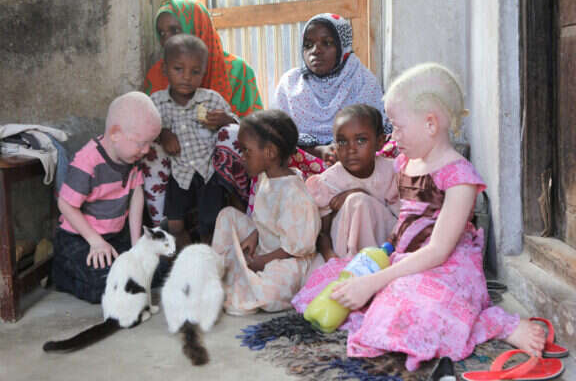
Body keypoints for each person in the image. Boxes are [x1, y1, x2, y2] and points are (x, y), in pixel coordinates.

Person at [292, 63, 545, 370]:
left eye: (398, 127)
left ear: (430, 124)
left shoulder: (459, 177)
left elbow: (438, 251)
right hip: (404, 259)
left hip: (445, 266)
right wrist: (377, 262)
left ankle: (498, 324)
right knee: (336, 285)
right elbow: (405, 222)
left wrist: (374, 282)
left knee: (411, 310)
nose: (393, 135)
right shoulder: (405, 164)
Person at [142, 0, 263, 224]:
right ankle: (162, 225)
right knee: (150, 149)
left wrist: (227, 121)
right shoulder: (158, 74)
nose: (168, 39)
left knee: (232, 134)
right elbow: (146, 122)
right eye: (162, 33)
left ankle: (239, 213)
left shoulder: (237, 71)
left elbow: (258, 126)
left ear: (198, 27)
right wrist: (163, 133)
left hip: (217, 161)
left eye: (175, 30)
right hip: (176, 158)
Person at [52, 92, 162, 303]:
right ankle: (61, 272)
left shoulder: (132, 157)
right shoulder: (87, 161)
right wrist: (95, 241)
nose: (147, 150)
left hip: (114, 236)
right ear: (115, 134)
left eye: (150, 143)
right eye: (142, 143)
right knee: (106, 285)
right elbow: (65, 204)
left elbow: (136, 195)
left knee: (155, 269)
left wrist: (136, 244)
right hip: (80, 238)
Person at [211, 110, 320, 315]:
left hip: (289, 259)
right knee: (227, 215)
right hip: (265, 246)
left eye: (246, 151)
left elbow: (296, 247)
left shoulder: (294, 194)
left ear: (270, 152)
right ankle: (220, 274)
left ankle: (245, 279)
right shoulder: (265, 178)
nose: (241, 157)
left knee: (269, 294)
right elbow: (265, 220)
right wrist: (254, 234)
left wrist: (262, 261)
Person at [151, 34, 238, 248]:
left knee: (211, 222)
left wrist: (226, 120)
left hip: (208, 172)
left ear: (203, 72)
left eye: (195, 71)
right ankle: (187, 255)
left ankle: (210, 253)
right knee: (174, 225)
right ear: (165, 69)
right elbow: (143, 131)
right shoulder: (156, 102)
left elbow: (238, 130)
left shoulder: (211, 99)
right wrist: (163, 133)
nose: (186, 77)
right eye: (178, 69)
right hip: (178, 173)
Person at [275, 13, 389, 165]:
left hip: (354, 161)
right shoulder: (290, 83)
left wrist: (343, 149)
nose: (316, 50)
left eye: (327, 43)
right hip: (302, 164)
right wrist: (317, 150)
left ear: (343, 47)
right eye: (308, 45)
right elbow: (277, 133)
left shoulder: (362, 82)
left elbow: (379, 135)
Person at [305, 104, 398, 267]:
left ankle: (371, 266)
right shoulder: (329, 181)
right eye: (342, 142)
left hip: (385, 247)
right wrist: (331, 259)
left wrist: (359, 193)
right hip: (342, 251)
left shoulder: (392, 171)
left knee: (358, 200)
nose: (351, 150)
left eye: (361, 140)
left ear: (379, 142)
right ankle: (353, 265)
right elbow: (323, 234)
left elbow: (403, 219)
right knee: (357, 201)